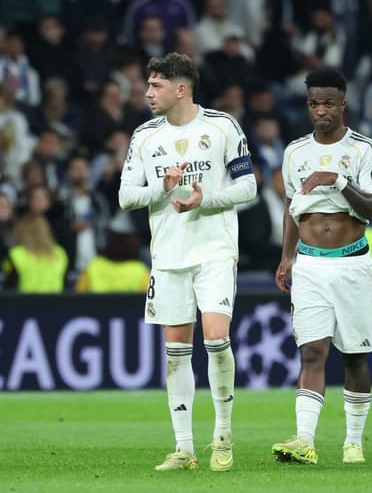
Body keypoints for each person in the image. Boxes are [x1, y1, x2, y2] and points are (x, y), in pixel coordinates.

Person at [118, 53, 256, 472]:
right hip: (168, 256)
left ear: (181, 89)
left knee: (215, 339)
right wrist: (162, 188)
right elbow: (126, 197)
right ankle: (184, 449)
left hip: (215, 251)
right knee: (176, 352)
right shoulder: (144, 136)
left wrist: (204, 200)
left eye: (156, 85)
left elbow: (248, 186)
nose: (147, 92)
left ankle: (223, 438)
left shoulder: (222, 126)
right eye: (148, 84)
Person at [272, 67, 372, 465]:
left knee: (354, 356)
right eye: (313, 104)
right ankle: (305, 441)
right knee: (311, 352)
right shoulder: (294, 152)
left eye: (328, 103)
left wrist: (337, 180)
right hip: (309, 265)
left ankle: (353, 442)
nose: (320, 110)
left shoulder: (364, 149)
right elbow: (291, 208)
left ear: (342, 104)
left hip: (351, 264)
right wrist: (287, 256)